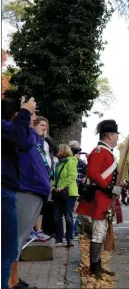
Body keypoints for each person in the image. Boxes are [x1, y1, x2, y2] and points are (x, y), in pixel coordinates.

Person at [8, 99, 52, 289]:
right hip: (26, 189)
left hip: (35, 191)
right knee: (14, 240)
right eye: (31, 115)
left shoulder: (32, 136)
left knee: (19, 239)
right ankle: (10, 281)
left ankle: (14, 279)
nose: (33, 119)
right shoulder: (17, 132)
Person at [76, 119, 122, 279]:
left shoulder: (105, 151)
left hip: (104, 197)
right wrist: (110, 188)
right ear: (110, 135)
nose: (117, 138)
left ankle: (98, 266)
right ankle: (93, 268)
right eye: (116, 135)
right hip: (100, 197)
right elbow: (93, 173)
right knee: (98, 234)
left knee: (101, 233)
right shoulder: (99, 151)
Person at [2, 97, 36, 289]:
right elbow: (20, 139)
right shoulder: (6, 128)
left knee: (8, 248)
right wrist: (24, 114)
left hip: (7, 190)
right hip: (4, 190)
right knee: (7, 249)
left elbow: (23, 142)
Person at [32, 116, 58, 241]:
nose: (45, 128)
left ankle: (38, 229)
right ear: (35, 125)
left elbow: (57, 149)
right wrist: (39, 135)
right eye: (42, 125)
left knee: (43, 203)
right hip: (35, 176)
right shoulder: (34, 138)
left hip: (47, 176)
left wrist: (46, 136)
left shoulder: (46, 140)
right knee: (35, 203)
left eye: (46, 126)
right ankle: (33, 229)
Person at [52, 144, 79, 247]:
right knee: (57, 216)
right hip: (59, 192)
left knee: (68, 216)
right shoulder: (58, 163)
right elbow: (56, 177)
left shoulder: (71, 161)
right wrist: (54, 186)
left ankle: (69, 239)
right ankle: (59, 239)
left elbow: (72, 177)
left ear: (63, 151)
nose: (56, 152)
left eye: (58, 150)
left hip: (69, 192)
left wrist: (61, 187)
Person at [69, 140, 87, 237]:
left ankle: (74, 231)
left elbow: (88, 170)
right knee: (73, 211)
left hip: (77, 187)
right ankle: (72, 232)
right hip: (72, 187)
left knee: (75, 211)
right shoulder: (71, 160)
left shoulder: (80, 162)